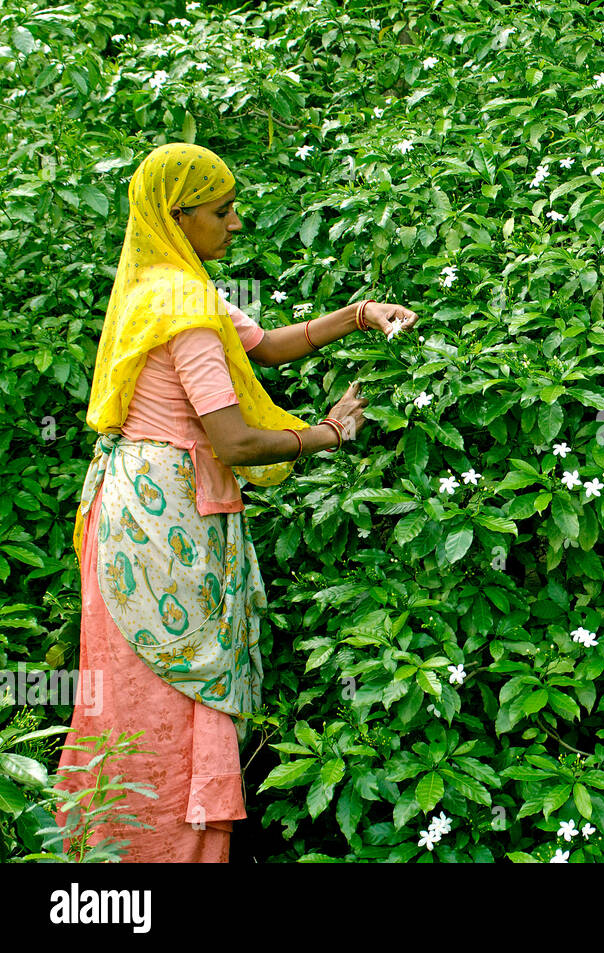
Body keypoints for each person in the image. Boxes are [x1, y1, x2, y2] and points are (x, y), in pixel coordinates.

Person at [54, 142, 418, 862]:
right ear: (178, 215)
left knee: (131, 687)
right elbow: (236, 442)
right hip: (166, 522)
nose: (237, 223)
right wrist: (325, 435)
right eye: (222, 211)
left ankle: (111, 851)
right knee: (171, 686)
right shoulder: (183, 307)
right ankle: (165, 852)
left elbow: (264, 347)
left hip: (134, 510)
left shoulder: (164, 284)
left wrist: (357, 314)